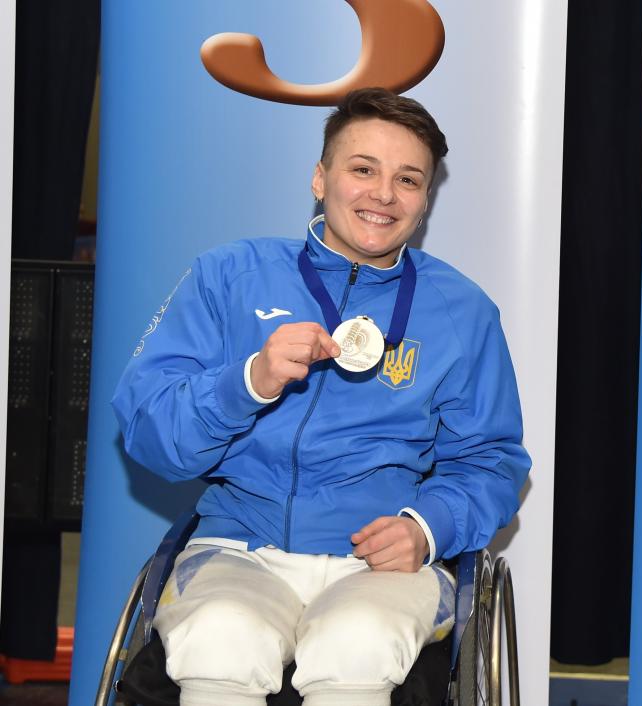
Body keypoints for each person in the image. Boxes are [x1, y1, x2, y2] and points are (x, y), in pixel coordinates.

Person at [112, 88, 531, 706]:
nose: (383, 194)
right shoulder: (228, 276)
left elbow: (493, 460)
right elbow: (150, 432)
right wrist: (248, 381)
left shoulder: (463, 311)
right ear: (320, 176)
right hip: (239, 546)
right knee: (220, 640)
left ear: (425, 199)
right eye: (363, 169)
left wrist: (428, 527)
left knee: (357, 643)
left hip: (381, 565)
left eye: (408, 179)